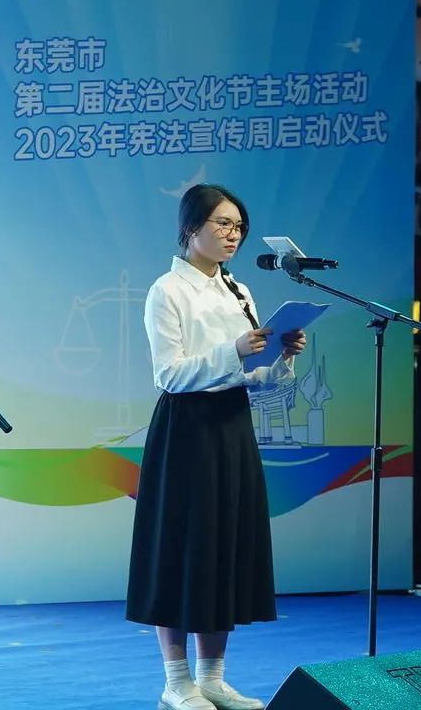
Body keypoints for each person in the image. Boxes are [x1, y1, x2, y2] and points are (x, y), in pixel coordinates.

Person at [126, 184, 306, 710]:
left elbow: (257, 378)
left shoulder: (239, 290)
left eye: (239, 227)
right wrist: (234, 350)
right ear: (190, 229)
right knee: (181, 548)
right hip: (186, 429)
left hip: (232, 425)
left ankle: (212, 679)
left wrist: (283, 355)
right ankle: (176, 681)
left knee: (224, 545)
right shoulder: (167, 290)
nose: (233, 235)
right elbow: (169, 374)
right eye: (223, 224)